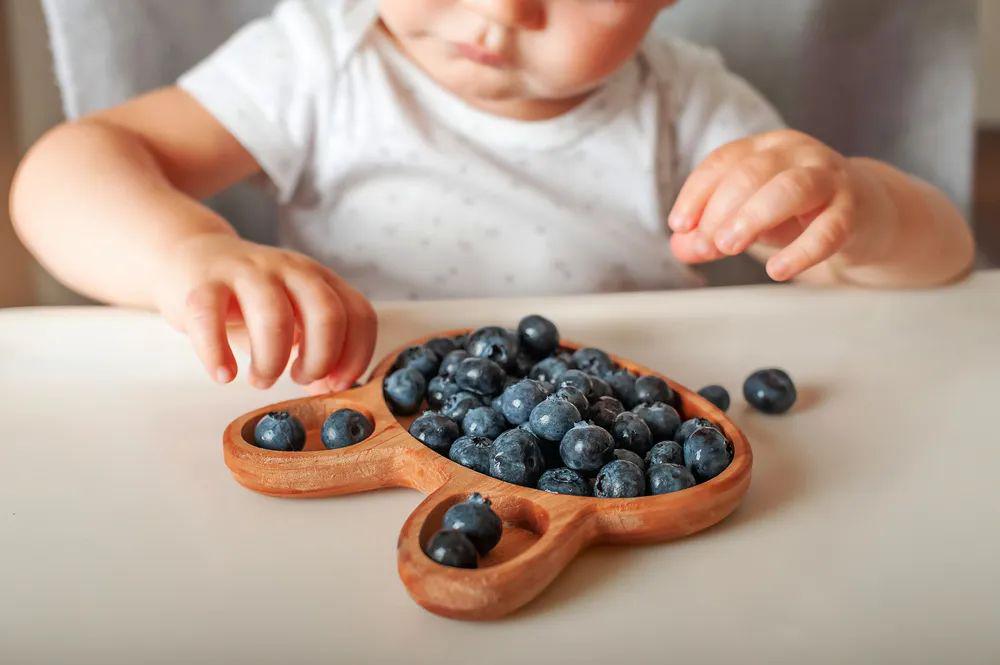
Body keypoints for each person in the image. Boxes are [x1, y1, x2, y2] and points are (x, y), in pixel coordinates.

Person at [10, 0, 974, 394]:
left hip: (610, 460)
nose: (503, 10)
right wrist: (184, 252)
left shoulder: (688, 104)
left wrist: (861, 208)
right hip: (368, 440)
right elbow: (74, 165)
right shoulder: (317, 62)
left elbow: (942, 260)